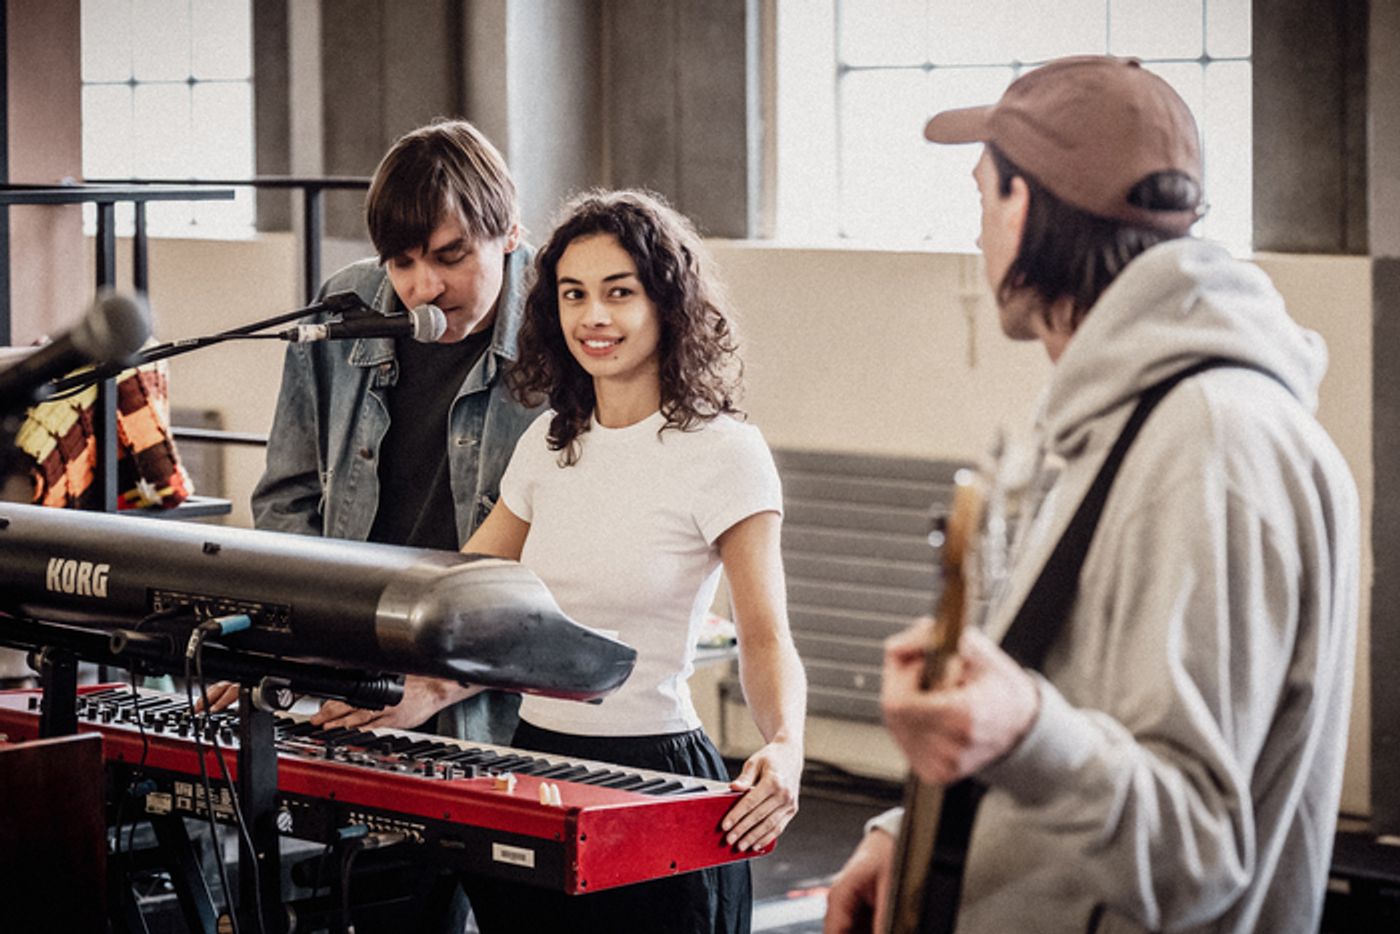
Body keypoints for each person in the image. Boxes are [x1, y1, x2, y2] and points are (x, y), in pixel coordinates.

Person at [824, 56, 1359, 934]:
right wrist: (915, 833)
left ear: (1021, 205)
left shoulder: (1210, 442)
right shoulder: (1121, 418)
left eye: (981, 197)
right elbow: (1067, 697)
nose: (978, 235)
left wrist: (1024, 731)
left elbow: (1197, 850)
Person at [341, 188, 806, 932]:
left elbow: (765, 634)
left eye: (619, 293)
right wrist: (374, 681)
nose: (593, 316)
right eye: (573, 294)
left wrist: (786, 746)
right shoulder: (549, 442)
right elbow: (461, 602)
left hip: (656, 775)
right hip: (535, 766)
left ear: (666, 304)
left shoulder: (726, 453)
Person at [236, 119, 538, 745]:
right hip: (357, 664)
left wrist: (439, 681)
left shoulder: (564, 325)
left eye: (451, 256)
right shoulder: (348, 303)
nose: (424, 288)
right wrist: (292, 646)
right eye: (402, 262)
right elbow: (287, 498)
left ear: (510, 231)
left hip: (496, 694)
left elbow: (571, 563)